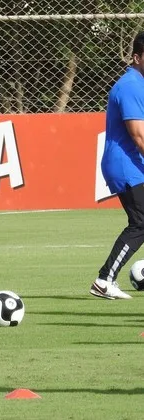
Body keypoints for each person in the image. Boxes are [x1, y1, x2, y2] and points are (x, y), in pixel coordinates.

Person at [90, 31, 144, 300]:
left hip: (136, 163)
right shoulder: (131, 85)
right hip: (127, 165)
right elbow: (138, 135)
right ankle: (104, 279)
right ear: (137, 57)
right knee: (141, 223)